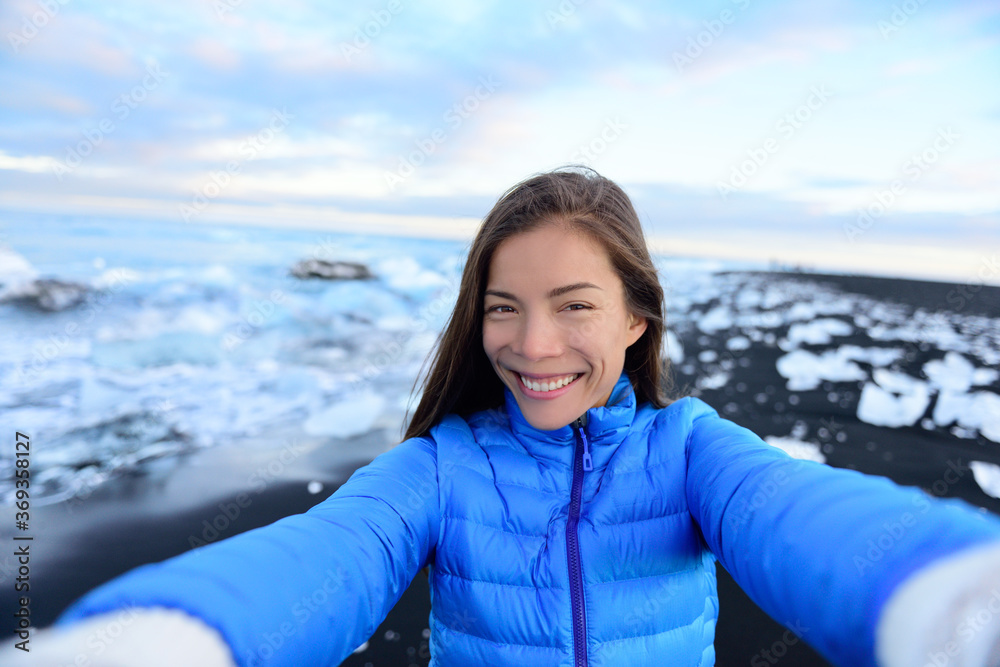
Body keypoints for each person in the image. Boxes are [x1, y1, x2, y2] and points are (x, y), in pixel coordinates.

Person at [10, 168, 1000, 667]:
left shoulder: (692, 451)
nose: (532, 345)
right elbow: (324, 556)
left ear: (636, 312)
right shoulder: (441, 467)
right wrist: (155, 642)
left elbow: (805, 519)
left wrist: (957, 602)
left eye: (573, 305)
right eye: (502, 306)